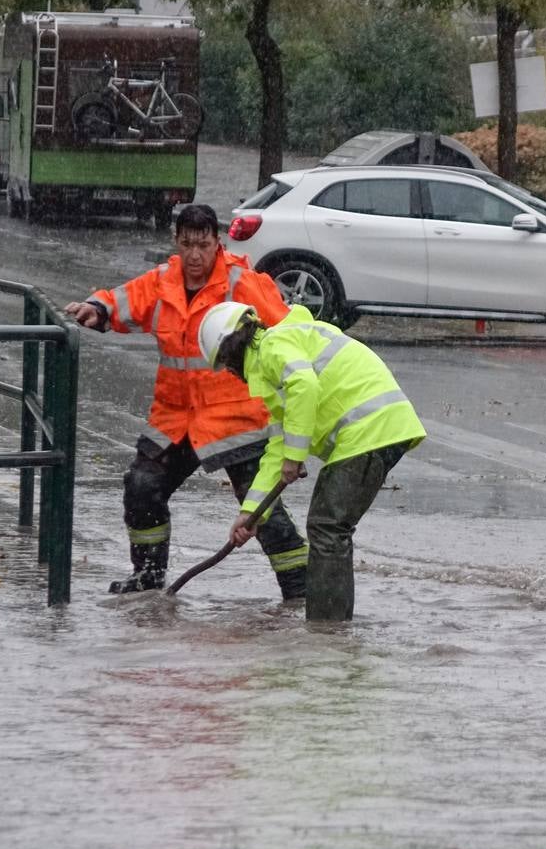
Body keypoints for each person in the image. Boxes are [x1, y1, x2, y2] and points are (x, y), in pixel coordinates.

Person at [64, 204, 309, 598]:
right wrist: (97, 308)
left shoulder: (243, 284)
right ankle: (147, 576)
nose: (195, 255)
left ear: (218, 243)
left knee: (262, 510)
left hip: (236, 421)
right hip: (175, 419)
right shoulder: (164, 280)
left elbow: (292, 335)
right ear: (177, 242)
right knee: (142, 486)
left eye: (204, 245)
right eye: (187, 244)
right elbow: (124, 301)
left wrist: (296, 422)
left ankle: (302, 591)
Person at [196, 301, 427, 621]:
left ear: (232, 347)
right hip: (375, 430)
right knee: (329, 527)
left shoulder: (273, 346)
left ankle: (327, 630)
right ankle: (330, 624)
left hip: (371, 428)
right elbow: (278, 446)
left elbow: (304, 386)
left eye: (225, 364)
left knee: (327, 526)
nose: (231, 373)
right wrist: (250, 513)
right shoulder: (276, 363)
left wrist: (295, 456)